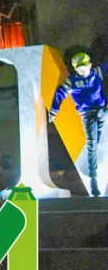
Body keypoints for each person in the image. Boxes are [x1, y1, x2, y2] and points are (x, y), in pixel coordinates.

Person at [49, 50, 108, 197]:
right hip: (87, 114)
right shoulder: (73, 82)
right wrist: (54, 111)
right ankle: (93, 179)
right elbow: (59, 93)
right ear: (75, 69)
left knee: (100, 132)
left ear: (90, 64)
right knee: (92, 143)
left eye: (85, 65)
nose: (83, 69)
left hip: (101, 110)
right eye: (79, 67)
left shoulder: (97, 73)